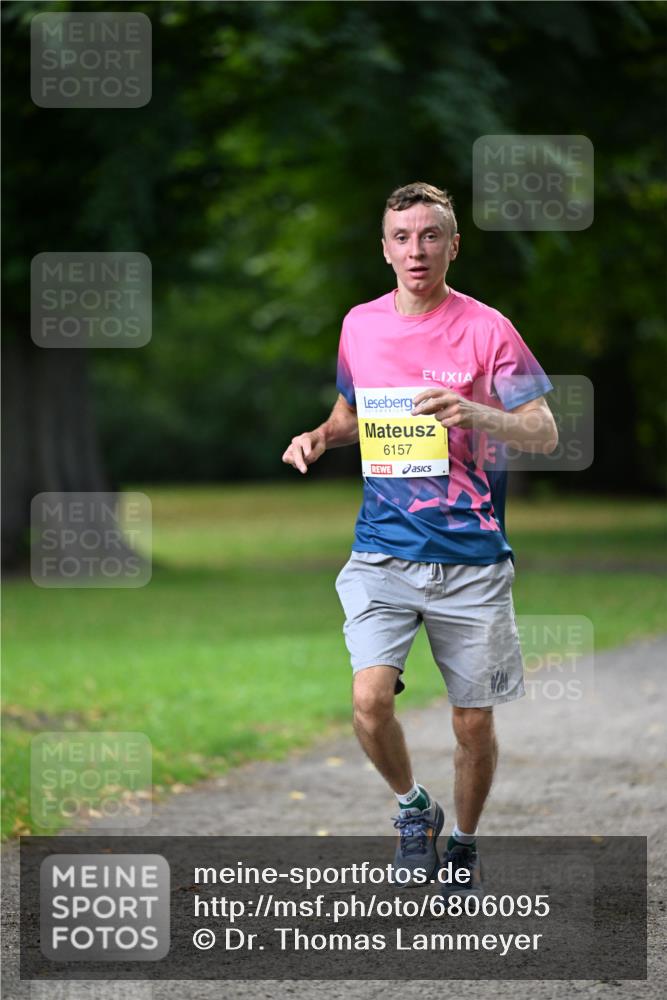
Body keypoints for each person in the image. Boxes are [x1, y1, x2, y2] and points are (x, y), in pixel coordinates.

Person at [282, 182, 558, 893]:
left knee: (472, 723)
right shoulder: (359, 326)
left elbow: (544, 430)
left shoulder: (488, 329)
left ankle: (462, 842)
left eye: (429, 236)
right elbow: (352, 417)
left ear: (452, 245)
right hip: (381, 549)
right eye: (401, 237)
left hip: (470, 558)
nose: (415, 249)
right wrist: (317, 437)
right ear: (384, 248)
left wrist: (474, 412)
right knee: (369, 700)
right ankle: (413, 810)